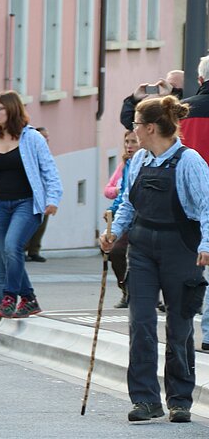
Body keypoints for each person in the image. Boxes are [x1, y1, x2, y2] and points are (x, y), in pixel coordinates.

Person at [99, 95, 209, 423]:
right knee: (142, 324)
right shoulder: (140, 161)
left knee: (178, 327)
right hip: (142, 248)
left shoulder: (189, 162)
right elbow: (129, 205)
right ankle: (145, 400)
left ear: (149, 127)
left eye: (135, 124)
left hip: (181, 249)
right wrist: (114, 233)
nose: (133, 131)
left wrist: (207, 244)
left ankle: (179, 400)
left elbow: (206, 206)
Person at [0, 91, 62, 319]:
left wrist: (53, 198)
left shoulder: (31, 138)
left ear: (12, 110)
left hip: (27, 204)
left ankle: (10, 296)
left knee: (13, 246)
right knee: (6, 252)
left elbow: (49, 169)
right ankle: (30, 299)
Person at [182, 56, 209, 351]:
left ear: (200, 80)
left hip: (185, 199)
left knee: (188, 267)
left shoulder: (182, 111)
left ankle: (183, 326)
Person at [105, 131, 140, 308]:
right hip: (128, 215)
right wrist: (112, 210)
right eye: (127, 141)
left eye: (133, 141)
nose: (129, 145)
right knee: (116, 251)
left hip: (145, 217)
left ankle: (153, 295)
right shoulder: (127, 164)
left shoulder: (147, 160)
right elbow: (123, 194)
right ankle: (125, 289)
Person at [119, 70, 184, 131]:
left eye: (172, 86)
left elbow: (183, 111)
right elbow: (132, 124)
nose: (167, 87)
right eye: (167, 84)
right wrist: (134, 100)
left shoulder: (187, 109)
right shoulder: (159, 111)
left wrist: (174, 93)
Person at [25, 126, 53, 262]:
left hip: (44, 195)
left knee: (41, 224)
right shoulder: (28, 153)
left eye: (47, 137)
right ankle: (23, 249)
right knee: (27, 222)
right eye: (44, 137)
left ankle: (34, 250)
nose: (46, 140)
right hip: (29, 195)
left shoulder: (46, 154)